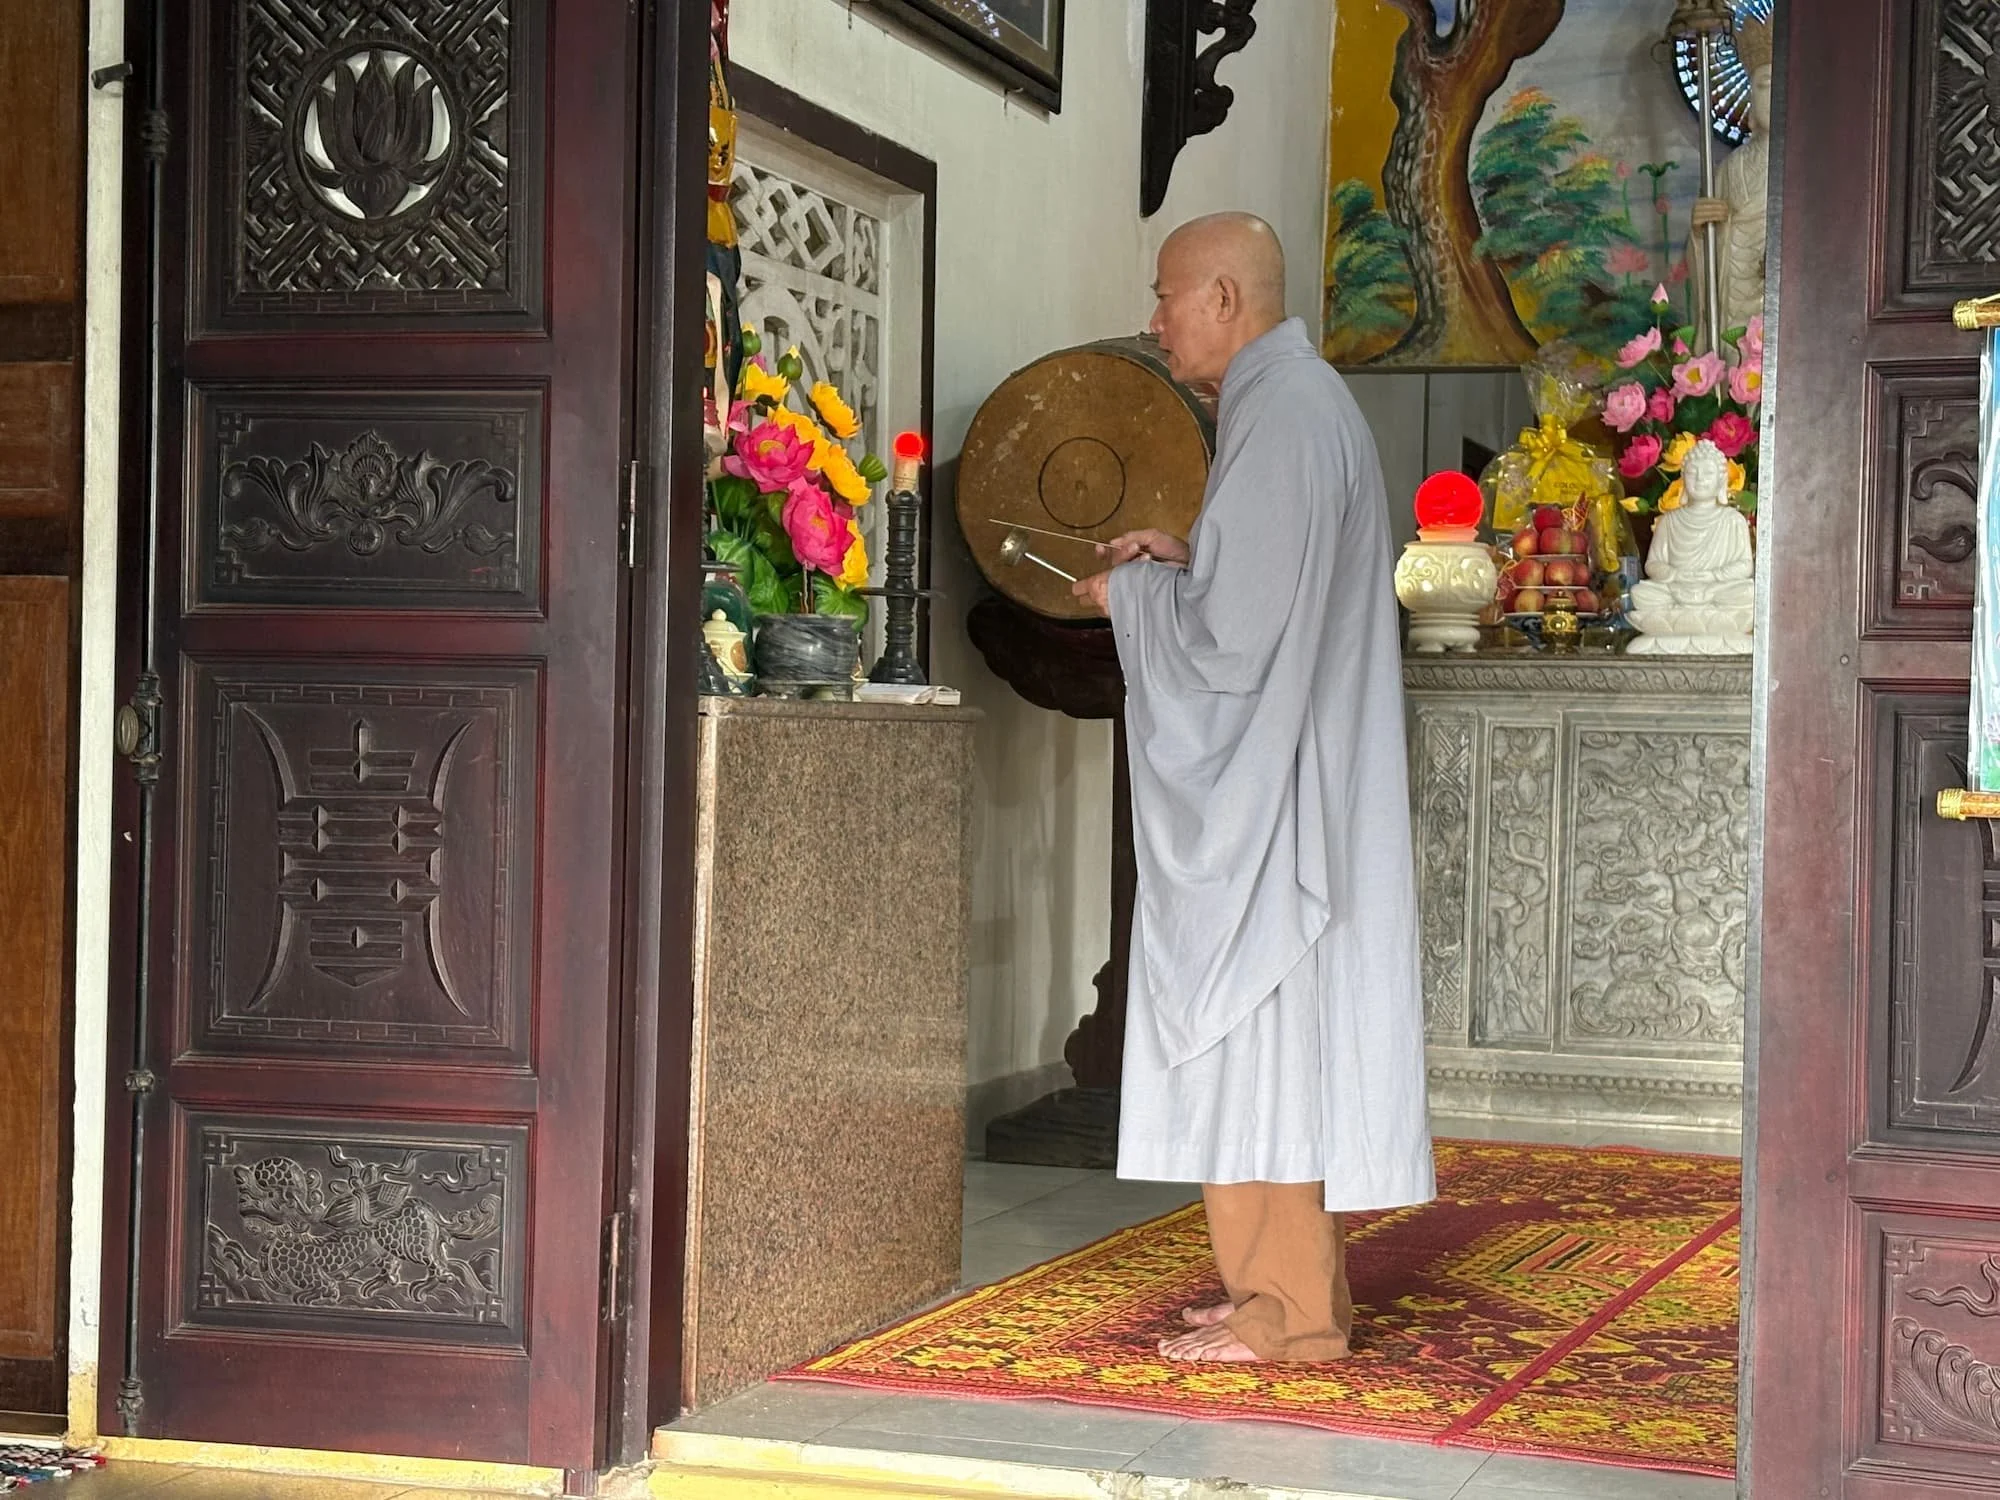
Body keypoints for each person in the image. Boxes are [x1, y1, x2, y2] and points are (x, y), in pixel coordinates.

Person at [1070, 213, 1435, 1365]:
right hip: (1289, 776)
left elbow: (1229, 647)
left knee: (1264, 1029)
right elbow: (1254, 592)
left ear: (1225, 298)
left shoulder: (1280, 411)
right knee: (1260, 1035)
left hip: (1276, 798)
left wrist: (1127, 600)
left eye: (1168, 294)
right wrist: (1183, 561)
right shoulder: (1292, 403)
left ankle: (1292, 1312)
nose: (1155, 317)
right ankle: (1274, 1288)